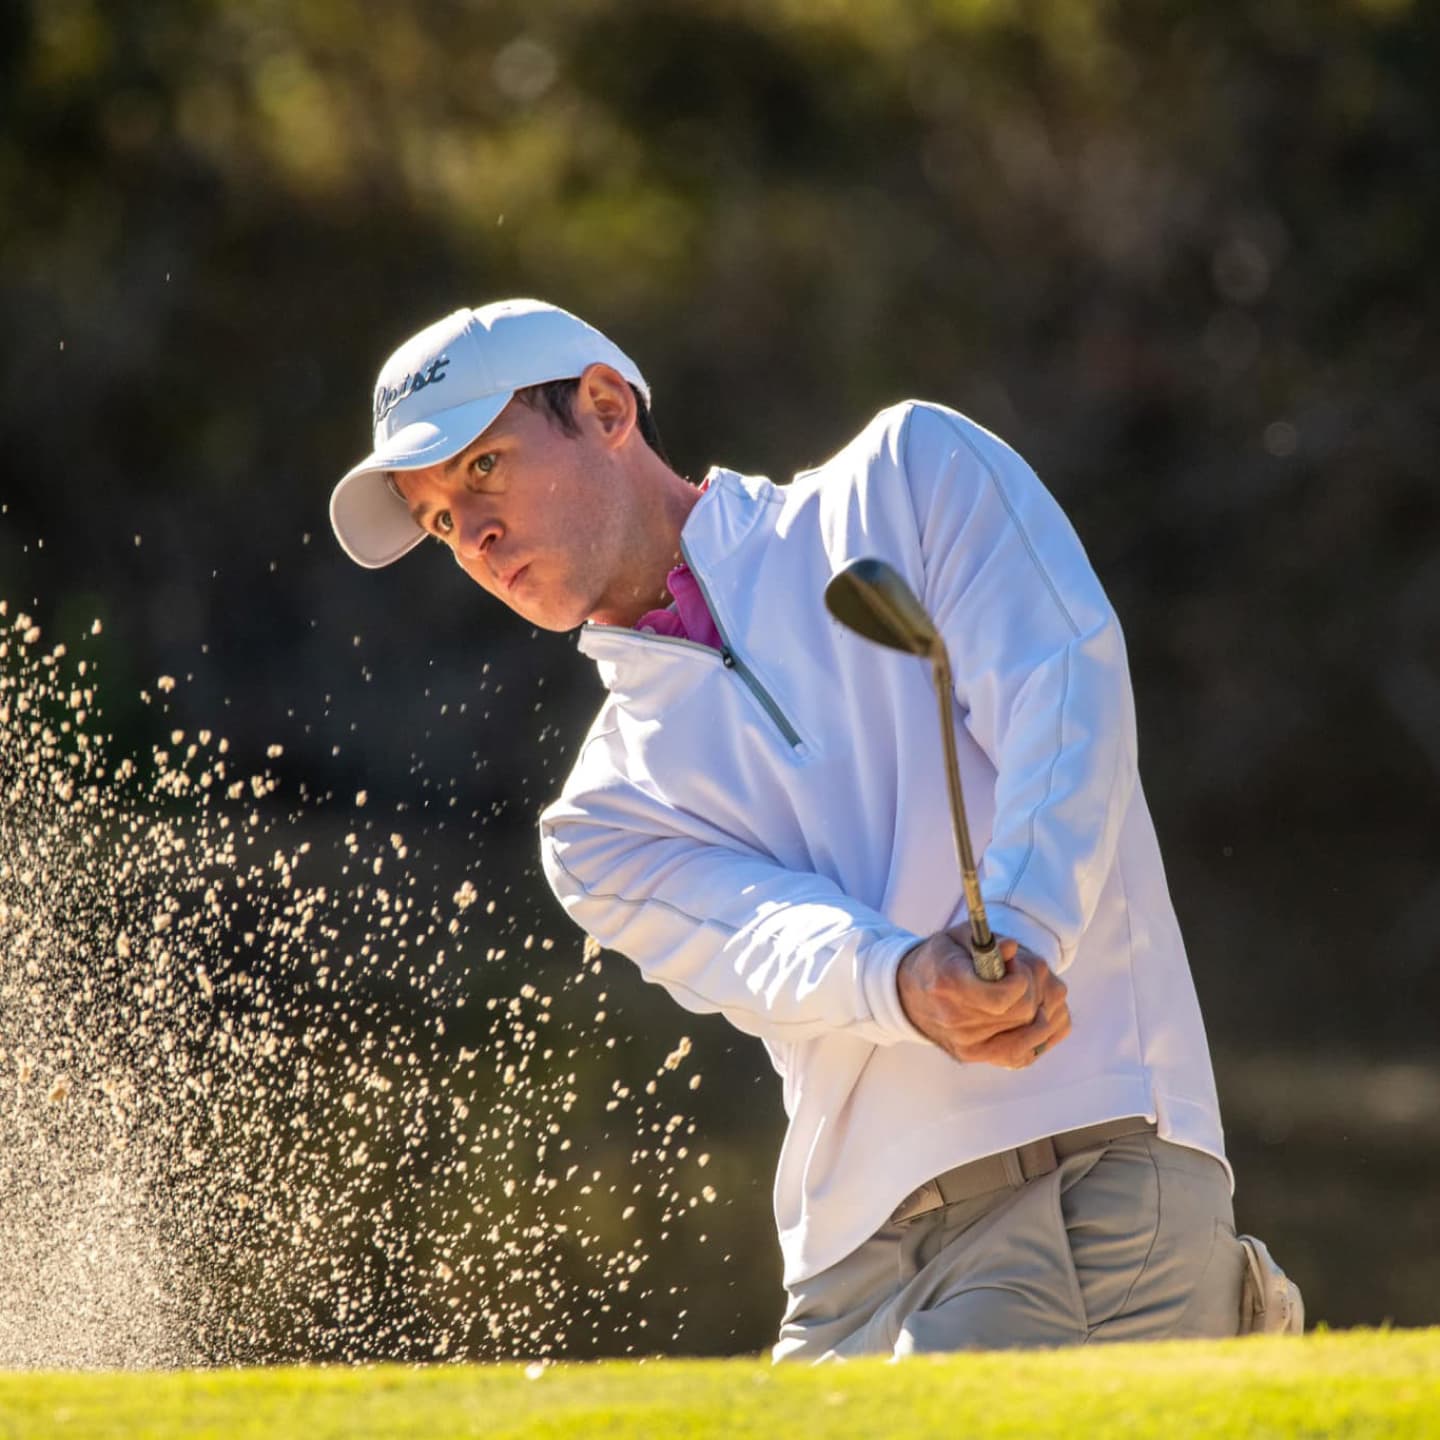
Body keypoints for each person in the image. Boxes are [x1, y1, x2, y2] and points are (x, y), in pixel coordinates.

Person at [330, 298, 1299, 1359]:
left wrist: (1021, 923)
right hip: (844, 1272)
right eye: (436, 521)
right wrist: (902, 980)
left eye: (483, 470)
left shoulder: (907, 477)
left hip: (1073, 1168)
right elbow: (769, 939)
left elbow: (1063, 693)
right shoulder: (597, 820)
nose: (472, 537)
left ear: (606, 406)